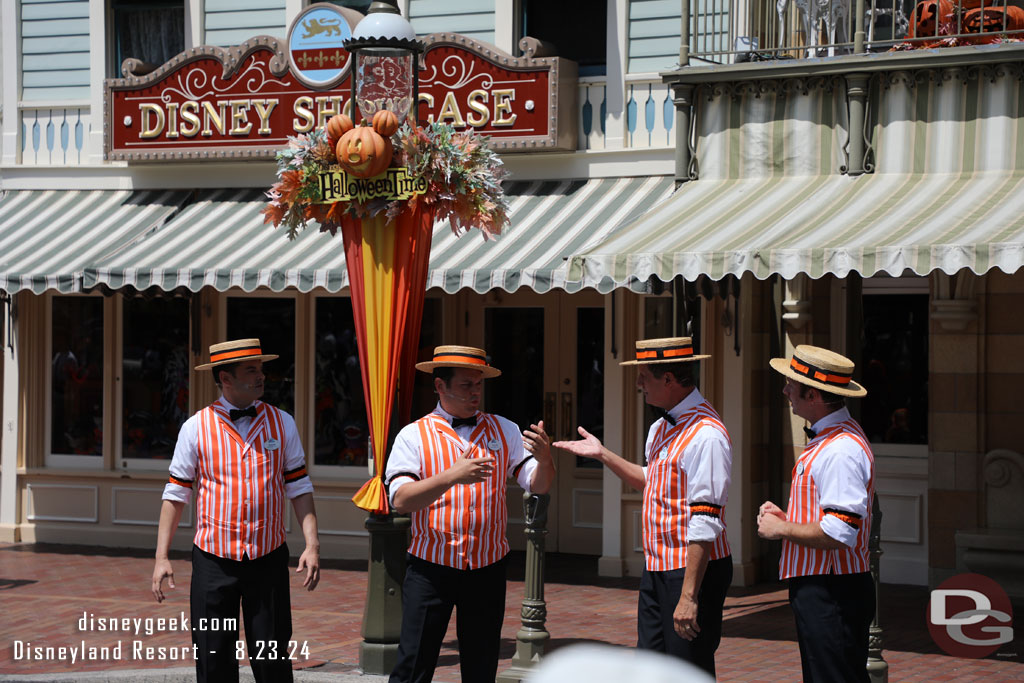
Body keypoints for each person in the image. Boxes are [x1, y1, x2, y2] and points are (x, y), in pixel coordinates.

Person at [555, 336, 732, 677]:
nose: (638, 384)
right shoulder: (661, 426)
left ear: (668, 379)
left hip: (692, 571)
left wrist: (689, 595)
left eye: (644, 377)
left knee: (686, 670)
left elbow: (706, 520)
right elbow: (654, 479)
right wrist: (602, 454)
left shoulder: (706, 434)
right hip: (659, 566)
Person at [151, 338, 321, 683]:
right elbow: (176, 494)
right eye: (251, 370)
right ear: (225, 379)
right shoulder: (195, 427)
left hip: (268, 559)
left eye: (260, 369)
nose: (261, 376)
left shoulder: (283, 423)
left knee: (272, 658)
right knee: (214, 661)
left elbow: (299, 487)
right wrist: (161, 557)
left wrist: (312, 544)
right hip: (213, 562)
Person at [385, 345, 555, 683]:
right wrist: (452, 475)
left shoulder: (503, 429)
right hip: (430, 568)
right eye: (466, 385)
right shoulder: (413, 435)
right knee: (414, 664)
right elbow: (401, 500)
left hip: (486, 568)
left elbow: (537, 485)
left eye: (479, 385)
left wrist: (547, 459)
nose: (475, 392)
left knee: (481, 664)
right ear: (440, 386)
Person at [757, 345, 875, 683]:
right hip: (826, 587)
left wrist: (781, 529)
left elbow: (840, 532)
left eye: (791, 385)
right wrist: (786, 517)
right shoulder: (832, 440)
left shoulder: (840, 448)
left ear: (813, 394)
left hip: (831, 589)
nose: (785, 391)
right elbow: (830, 514)